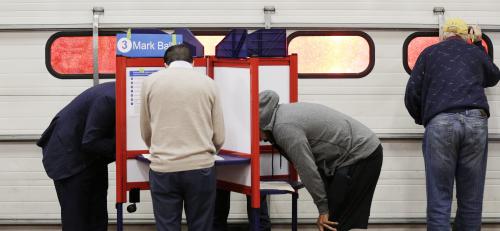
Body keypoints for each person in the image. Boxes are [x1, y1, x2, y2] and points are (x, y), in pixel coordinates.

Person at [405, 18, 500, 230]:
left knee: (440, 200)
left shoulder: (429, 53)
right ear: (467, 36)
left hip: (441, 122)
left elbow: (412, 93)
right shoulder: (474, 51)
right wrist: (478, 43)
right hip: (476, 122)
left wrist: (426, 119)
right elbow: (494, 76)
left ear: (443, 35)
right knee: (471, 201)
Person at [258, 90, 383, 231]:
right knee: (334, 220)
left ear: (261, 123)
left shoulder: (284, 129)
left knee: (334, 223)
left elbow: (307, 169)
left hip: (361, 154)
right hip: (349, 157)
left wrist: (323, 209)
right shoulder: (281, 114)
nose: (258, 139)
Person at [140, 44, 225, 231]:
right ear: (193, 63)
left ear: (165, 64)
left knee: (167, 226)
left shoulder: (150, 82)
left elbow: (145, 131)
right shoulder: (209, 83)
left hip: (163, 167)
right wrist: (208, 152)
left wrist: (158, 150)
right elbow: (219, 136)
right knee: (201, 226)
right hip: (200, 168)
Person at [36, 82, 116, 231]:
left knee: (97, 217)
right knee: (77, 220)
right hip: (68, 158)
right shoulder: (109, 98)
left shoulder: (116, 93)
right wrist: (121, 149)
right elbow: (91, 141)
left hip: (91, 159)